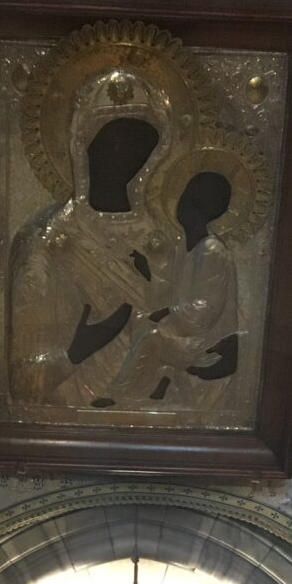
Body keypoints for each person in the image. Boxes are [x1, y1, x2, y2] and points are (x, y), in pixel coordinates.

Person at [7, 69, 177, 409]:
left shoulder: (162, 241)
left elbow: (187, 346)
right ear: (82, 147)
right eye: (111, 144)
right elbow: (24, 384)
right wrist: (78, 350)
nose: (124, 157)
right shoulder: (49, 244)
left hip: (149, 420)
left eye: (138, 144)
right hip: (66, 420)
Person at [105, 169, 239, 413]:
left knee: (153, 338)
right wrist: (147, 273)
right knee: (140, 321)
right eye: (184, 199)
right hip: (187, 334)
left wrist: (169, 311)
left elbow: (205, 309)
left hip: (210, 344)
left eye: (194, 204)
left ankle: (119, 396)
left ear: (208, 212)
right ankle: (151, 387)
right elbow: (172, 292)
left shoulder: (212, 251)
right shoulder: (184, 247)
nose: (184, 208)